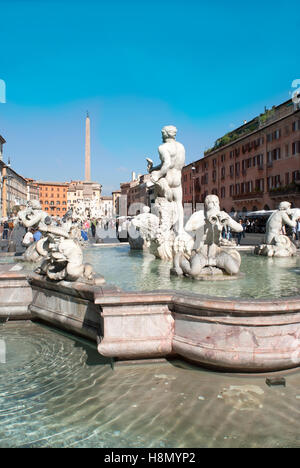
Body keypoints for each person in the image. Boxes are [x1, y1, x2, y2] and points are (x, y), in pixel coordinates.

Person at [146, 125, 185, 233]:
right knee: (178, 204)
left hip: (167, 179)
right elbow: (175, 164)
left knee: (160, 203)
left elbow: (167, 164)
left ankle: (163, 229)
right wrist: (153, 168)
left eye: (162, 133)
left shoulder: (162, 147)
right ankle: (180, 231)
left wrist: (156, 174)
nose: (161, 135)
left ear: (165, 134)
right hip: (177, 180)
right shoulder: (181, 147)